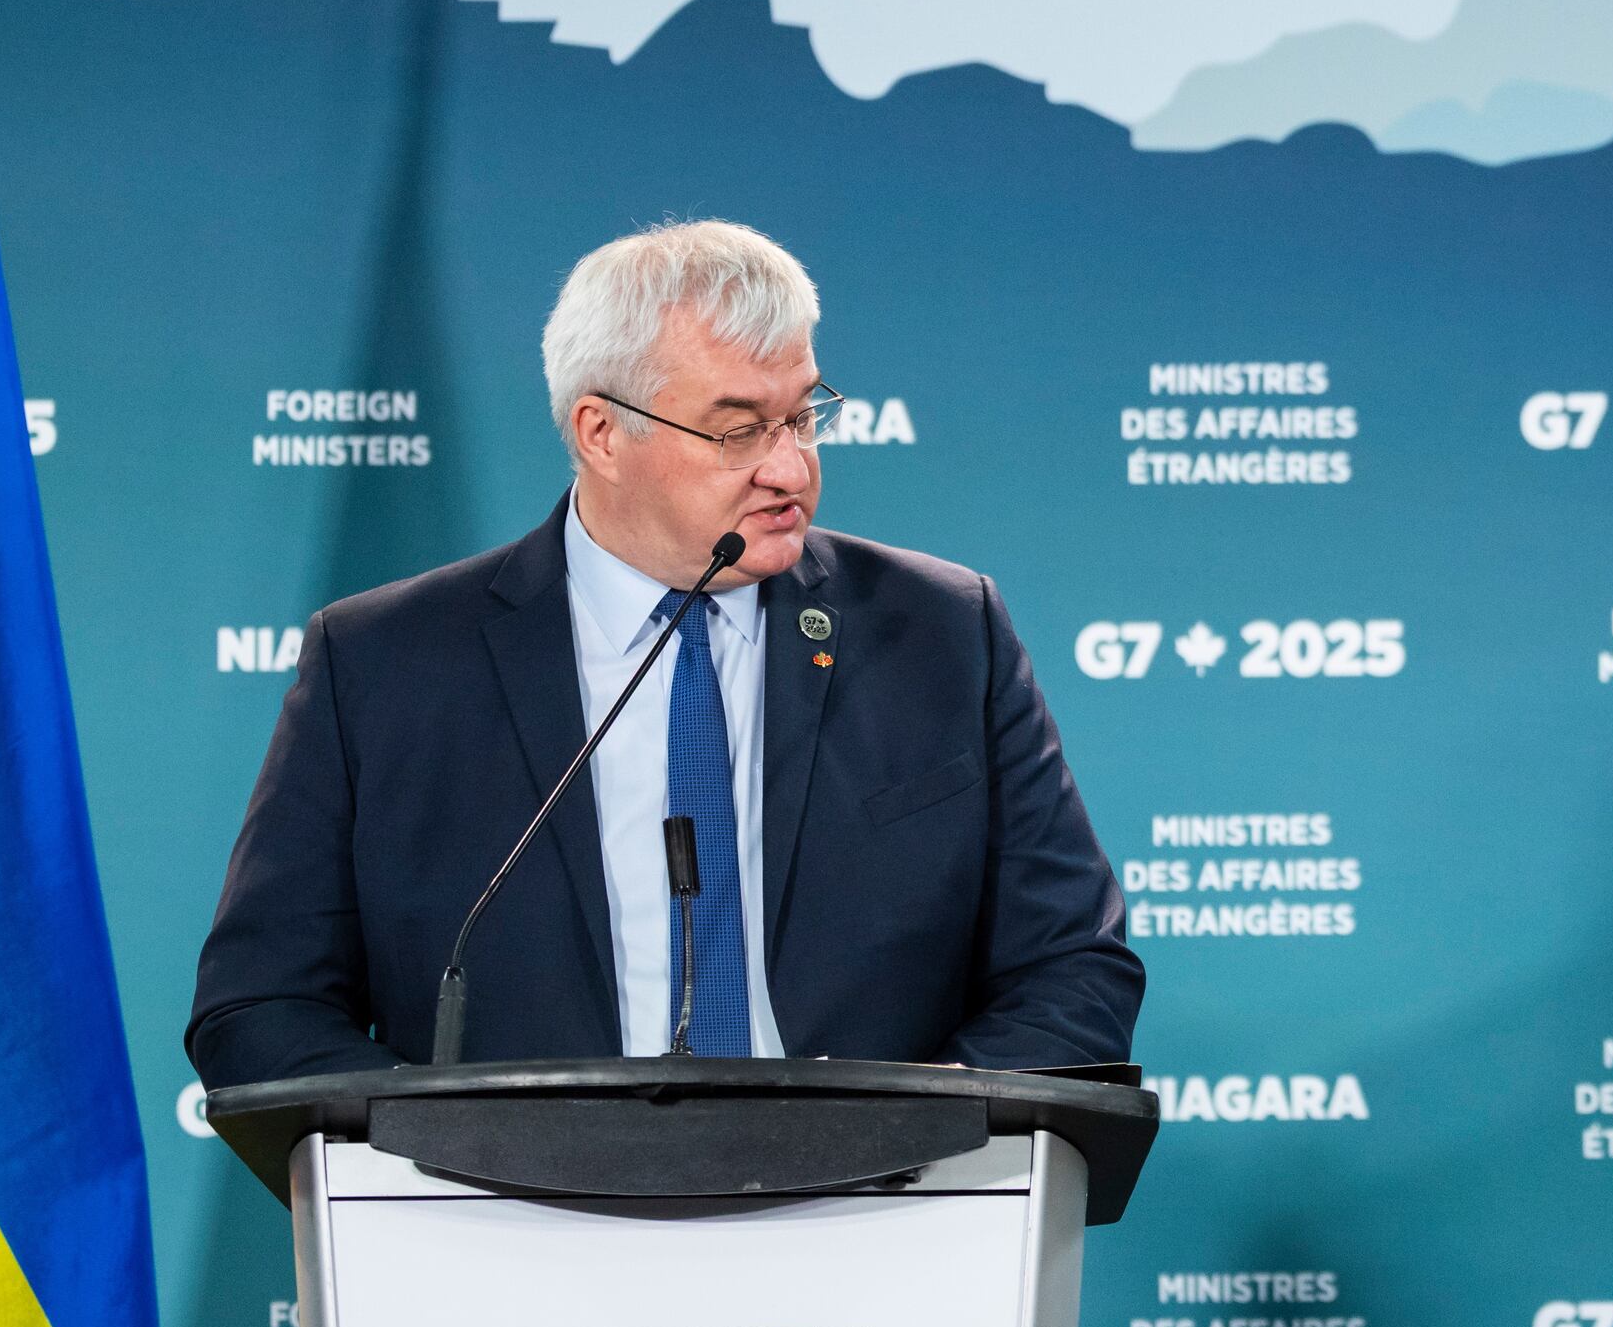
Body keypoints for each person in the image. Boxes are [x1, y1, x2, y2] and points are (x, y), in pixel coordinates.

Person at [188, 220, 1141, 1084]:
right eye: (737, 430)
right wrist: (443, 1151)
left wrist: (913, 1149)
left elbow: (1071, 967)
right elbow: (260, 1006)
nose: (790, 466)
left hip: (873, 1217)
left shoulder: (942, 631)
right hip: (512, 1228)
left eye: (803, 414)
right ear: (601, 434)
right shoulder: (383, 665)